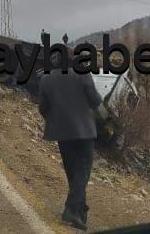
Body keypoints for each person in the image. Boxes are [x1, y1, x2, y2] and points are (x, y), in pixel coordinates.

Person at [38, 63, 102, 230]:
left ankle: (80, 210)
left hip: (61, 132)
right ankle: (71, 208)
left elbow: (43, 108)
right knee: (83, 169)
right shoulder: (82, 74)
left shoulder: (46, 78)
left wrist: (56, 119)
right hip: (83, 131)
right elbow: (95, 100)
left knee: (72, 171)